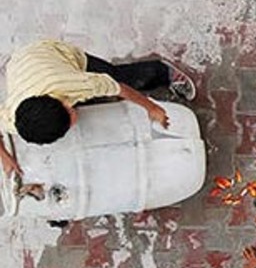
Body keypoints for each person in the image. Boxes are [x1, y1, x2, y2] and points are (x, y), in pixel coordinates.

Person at [0, 40, 196, 176]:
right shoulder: (12, 120)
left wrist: (150, 107)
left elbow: (119, 88)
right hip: (21, 68)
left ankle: (164, 72)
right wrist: (5, 157)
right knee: (88, 98)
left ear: (62, 102)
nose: (74, 121)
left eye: (70, 116)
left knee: (116, 75)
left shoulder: (78, 83)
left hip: (53, 54)